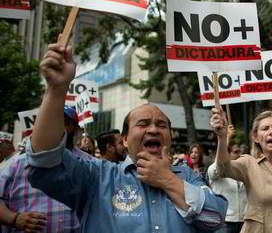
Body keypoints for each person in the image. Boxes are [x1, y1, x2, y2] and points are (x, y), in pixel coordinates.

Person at [26, 37, 227, 232]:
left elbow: (214, 219)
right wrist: (56, 89)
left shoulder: (188, 177)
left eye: (161, 125)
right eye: (143, 124)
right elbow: (45, 159)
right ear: (124, 139)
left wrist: (167, 180)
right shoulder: (98, 177)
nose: (154, 129)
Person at [211, 108, 272, 233]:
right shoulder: (247, 164)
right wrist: (222, 137)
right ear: (256, 137)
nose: (271, 132)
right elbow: (223, 168)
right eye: (265, 128)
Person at [0, 107, 93, 233]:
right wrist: (16, 219)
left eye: (64, 122)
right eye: (50, 121)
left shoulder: (90, 164)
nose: (56, 126)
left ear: (76, 129)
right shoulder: (16, 164)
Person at [208, 125, 247, 233]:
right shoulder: (214, 169)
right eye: (236, 152)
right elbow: (219, 163)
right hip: (223, 223)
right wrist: (226, 137)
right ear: (227, 154)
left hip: (244, 223)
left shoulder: (242, 171)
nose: (240, 154)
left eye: (240, 151)